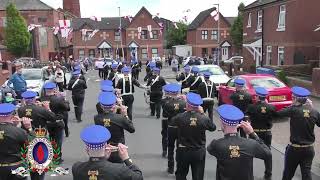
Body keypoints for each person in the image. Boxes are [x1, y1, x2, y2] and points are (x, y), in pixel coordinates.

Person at [207, 104, 272, 180]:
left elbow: (210, 149)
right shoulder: (251, 144)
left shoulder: (216, 144)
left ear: (222, 123)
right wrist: (252, 133)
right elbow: (268, 154)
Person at [277, 86, 320, 180]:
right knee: (306, 174)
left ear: (295, 99)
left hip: (294, 150)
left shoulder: (293, 110)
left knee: (288, 174)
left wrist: (293, 105)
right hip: (309, 149)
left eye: (292, 98)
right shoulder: (314, 112)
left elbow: (278, 113)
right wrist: (311, 108)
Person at [72, 125, 143, 180]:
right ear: (106, 147)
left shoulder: (76, 168)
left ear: (87, 149)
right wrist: (126, 158)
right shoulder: (119, 169)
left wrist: (104, 158)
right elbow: (139, 177)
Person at [172, 92, 216, 180]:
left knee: (181, 174)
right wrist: (203, 113)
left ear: (187, 104)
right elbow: (212, 127)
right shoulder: (204, 118)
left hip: (183, 150)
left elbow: (172, 121)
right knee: (198, 176)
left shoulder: (180, 117)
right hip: (198, 150)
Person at [94, 92, 135, 163]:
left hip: (104, 150)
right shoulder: (120, 118)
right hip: (118, 150)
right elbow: (132, 129)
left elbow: (108, 118)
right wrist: (125, 115)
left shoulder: (97, 118)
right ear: (114, 105)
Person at [0, 103, 32, 180]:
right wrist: (29, 128)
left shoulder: (17, 130)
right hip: (16, 167)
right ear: (13, 114)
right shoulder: (19, 131)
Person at [161, 84, 186, 174]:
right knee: (180, 148)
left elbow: (165, 115)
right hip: (180, 128)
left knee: (170, 147)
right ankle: (179, 168)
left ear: (170, 93)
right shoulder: (184, 103)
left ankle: (170, 167)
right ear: (178, 92)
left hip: (171, 126)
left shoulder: (167, 104)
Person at [41, 82, 70, 157]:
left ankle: (52, 154)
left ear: (45, 90)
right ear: (54, 89)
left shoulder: (41, 99)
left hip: (47, 123)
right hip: (57, 122)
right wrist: (64, 99)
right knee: (58, 141)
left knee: (51, 138)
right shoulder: (59, 99)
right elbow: (67, 108)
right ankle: (57, 156)